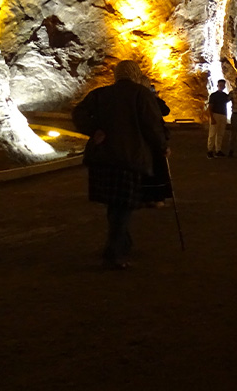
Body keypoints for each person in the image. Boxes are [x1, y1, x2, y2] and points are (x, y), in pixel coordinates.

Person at [72, 60, 170, 269]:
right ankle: (114, 252)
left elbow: (78, 113)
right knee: (123, 205)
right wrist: (162, 146)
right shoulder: (141, 94)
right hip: (129, 157)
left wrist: (93, 130)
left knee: (115, 204)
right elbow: (152, 125)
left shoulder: (101, 94)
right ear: (135, 74)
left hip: (104, 157)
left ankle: (122, 243)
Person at [141, 80, 172, 208]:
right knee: (157, 169)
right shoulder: (150, 102)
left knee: (148, 170)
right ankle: (157, 197)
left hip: (143, 141)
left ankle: (148, 197)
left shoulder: (143, 101)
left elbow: (165, 111)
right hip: (152, 140)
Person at [207, 79, 229, 158]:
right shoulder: (213, 95)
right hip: (215, 114)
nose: (221, 86)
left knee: (220, 133)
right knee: (212, 134)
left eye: (223, 85)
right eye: (220, 85)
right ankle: (209, 150)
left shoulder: (225, 95)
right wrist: (212, 117)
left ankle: (218, 150)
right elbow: (210, 107)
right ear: (217, 85)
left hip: (223, 115)